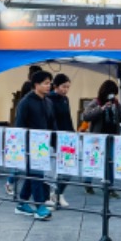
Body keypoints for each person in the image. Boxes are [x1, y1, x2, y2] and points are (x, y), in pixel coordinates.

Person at [14, 70, 56, 221]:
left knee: (35, 174)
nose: (48, 86)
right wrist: (23, 146)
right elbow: (19, 126)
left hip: (43, 144)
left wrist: (54, 142)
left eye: (49, 83)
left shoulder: (48, 102)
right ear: (36, 85)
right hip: (30, 144)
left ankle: (21, 203)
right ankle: (40, 206)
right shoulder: (25, 102)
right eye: (45, 83)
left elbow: (52, 124)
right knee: (37, 174)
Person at [82, 79, 121, 198]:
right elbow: (85, 116)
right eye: (111, 93)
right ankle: (87, 183)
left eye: (114, 94)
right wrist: (101, 109)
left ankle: (110, 187)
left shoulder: (116, 103)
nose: (112, 96)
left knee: (110, 162)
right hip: (97, 137)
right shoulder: (96, 102)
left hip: (112, 137)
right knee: (93, 160)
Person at [6, 64, 44, 195]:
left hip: (32, 132)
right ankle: (11, 183)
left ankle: (20, 192)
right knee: (24, 162)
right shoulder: (28, 94)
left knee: (27, 164)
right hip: (27, 131)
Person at [47, 73, 74, 208]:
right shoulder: (48, 99)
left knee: (68, 168)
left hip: (67, 138)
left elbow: (68, 119)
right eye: (63, 86)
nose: (65, 90)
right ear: (56, 86)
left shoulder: (65, 100)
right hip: (54, 138)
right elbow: (51, 120)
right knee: (53, 170)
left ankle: (59, 193)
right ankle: (53, 194)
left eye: (68, 87)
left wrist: (73, 134)